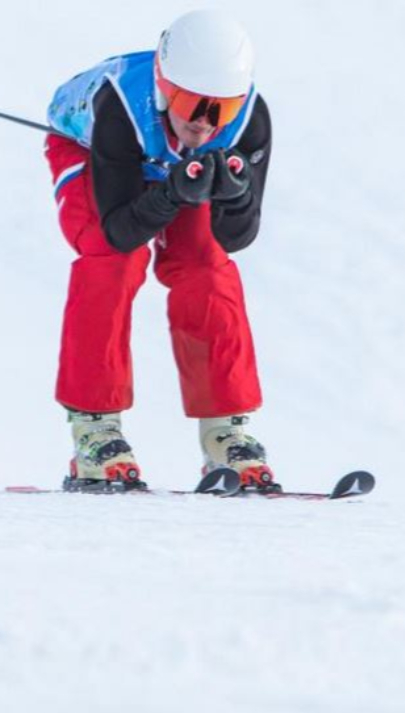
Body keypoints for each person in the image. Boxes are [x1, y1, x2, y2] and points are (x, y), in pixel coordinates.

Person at [44, 9, 276, 493]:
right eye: (193, 104)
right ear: (165, 87)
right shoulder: (121, 108)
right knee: (111, 262)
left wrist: (232, 197)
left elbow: (238, 236)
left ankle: (225, 432)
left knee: (205, 264)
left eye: (223, 109)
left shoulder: (250, 121)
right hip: (91, 151)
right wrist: (170, 195)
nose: (206, 126)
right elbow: (118, 231)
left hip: (172, 174)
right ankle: (94, 428)